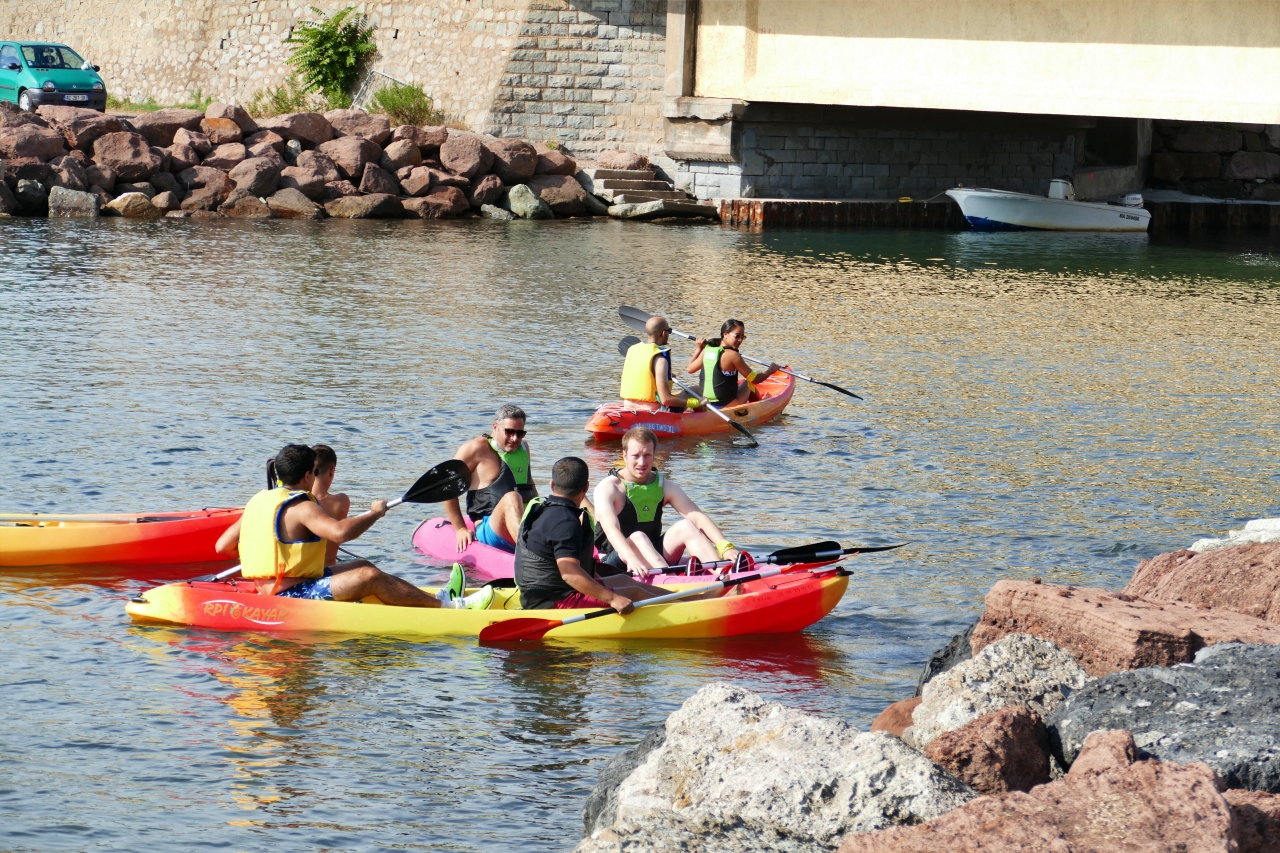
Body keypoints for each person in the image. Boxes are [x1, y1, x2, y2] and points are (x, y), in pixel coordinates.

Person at [219, 443, 491, 609]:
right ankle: (448, 607)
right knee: (368, 578)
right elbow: (341, 533)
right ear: (306, 475)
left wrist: (263, 554)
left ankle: (432, 598)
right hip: (292, 594)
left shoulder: (257, 502)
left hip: (277, 584)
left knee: (365, 567)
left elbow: (222, 547)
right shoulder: (302, 506)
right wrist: (374, 513)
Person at [514, 456, 671, 611]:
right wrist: (613, 599)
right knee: (634, 592)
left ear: (552, 485)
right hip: (553, 601)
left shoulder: (543, 510)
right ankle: (684, 609)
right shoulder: (565, 522)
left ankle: (690, 599)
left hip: (548, 592)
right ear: (586, 487)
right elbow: (569, 574)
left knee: (624, 579)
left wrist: (602, 586)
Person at [593, 427, 744, 575]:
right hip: (613, 563)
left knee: (686, 526)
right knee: (638, 536)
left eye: (647, 455)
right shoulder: (608, 488)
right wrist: (631, 558)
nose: (642, 462)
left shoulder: (663, 486)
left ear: (654, 455)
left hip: (652, 557)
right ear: (624, 455)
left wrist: (725, 547)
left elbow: (697, 517)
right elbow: (611, 529)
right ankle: (671, 580)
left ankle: (723, 575)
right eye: (636, 455)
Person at [444, 404, 537, 554]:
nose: (514, 438)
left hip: (524, 524)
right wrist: (460, 528)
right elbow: (447, 487)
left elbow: (530, 485)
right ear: (495, 427)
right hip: (490, 527)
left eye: (520, 433)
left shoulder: (524, 448)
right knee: (512, 498)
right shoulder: (476, 449)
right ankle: (529, 556)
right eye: (509, 432)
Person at [266, 444, 351, 567]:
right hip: (327, 571)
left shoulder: (287, 504)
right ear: (332, 471)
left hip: (294, 571)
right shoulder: (342, 501)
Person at [687, 319, 780, 406]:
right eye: (737, 336)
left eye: (742, 337)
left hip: (707, 403)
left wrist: (698, 349)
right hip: (727, 405)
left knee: (694, 389)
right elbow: (755, 379)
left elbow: (690, 369)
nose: (740, 340)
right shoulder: (733, 355)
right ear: (725, 334)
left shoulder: (706, 351)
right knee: (748, 383)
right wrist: (770, 370)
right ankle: (760, 405)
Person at [620, 315, 702, 411]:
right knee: (696, 391)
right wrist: (694, 402)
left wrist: (667, 376)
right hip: (652, 410)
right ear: (663, 334)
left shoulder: (632, 350)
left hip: (628, 406)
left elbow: (644, 374)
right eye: (668, 331)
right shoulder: (660, 360)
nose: (668, 334)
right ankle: (701, 420)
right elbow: (666, 400)